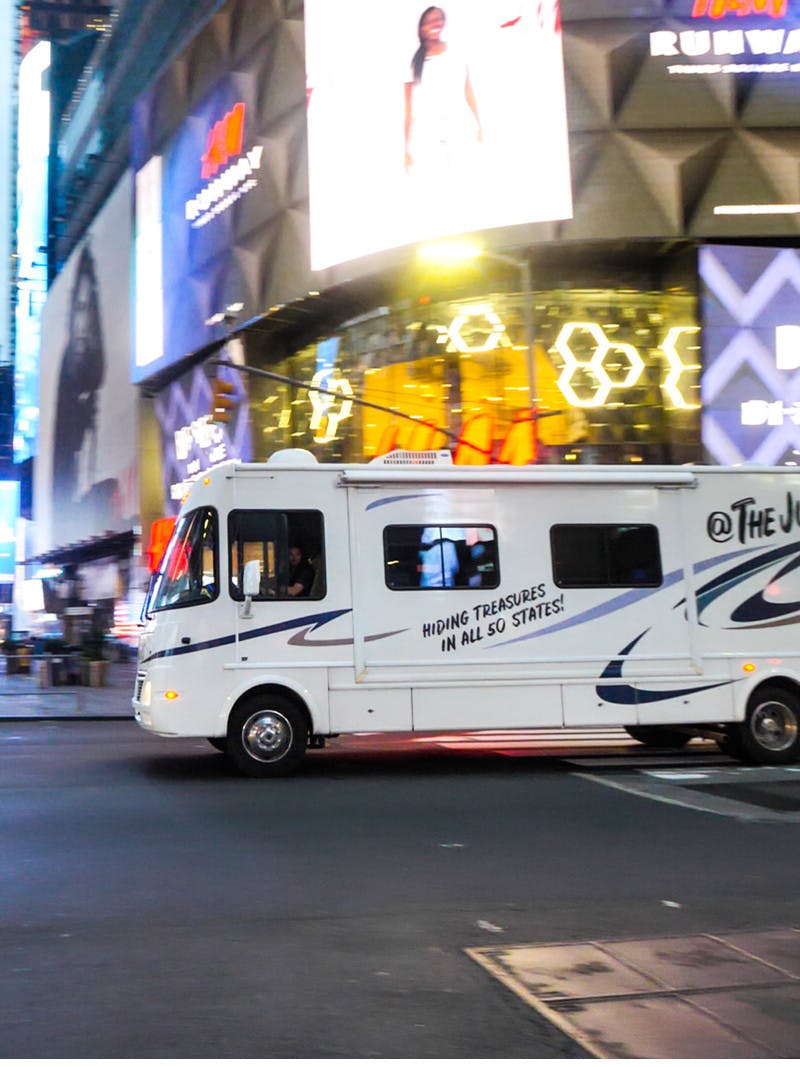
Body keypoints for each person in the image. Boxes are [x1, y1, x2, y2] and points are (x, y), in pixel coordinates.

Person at [403, 6, 482, 183]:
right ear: (421, 27)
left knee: (463, 180)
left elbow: (467, 90)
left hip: (458, 127)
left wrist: (479, 124)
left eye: (438, 19)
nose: (434, 24)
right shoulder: (412, 60)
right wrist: (406, 147)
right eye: (429, 21)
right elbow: (408, 107)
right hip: (426, 132)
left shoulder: (457, 52)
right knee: (432, 183)